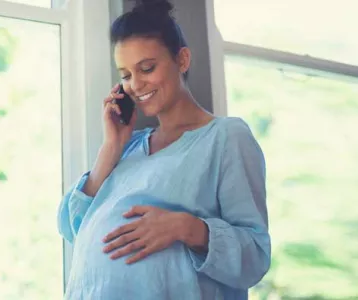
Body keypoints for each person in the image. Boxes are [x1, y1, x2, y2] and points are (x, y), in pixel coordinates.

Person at [57, 0, 271, 299]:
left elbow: (255, 257)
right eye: (126, 75)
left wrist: (186, 227)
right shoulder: (128, 147)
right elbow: (72, 229)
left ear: (182, 60)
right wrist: (110, 148)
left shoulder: (226, 137)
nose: (135, 84)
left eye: (147, 68)